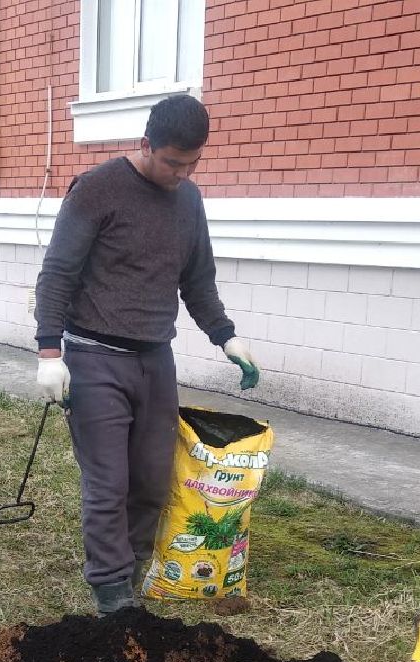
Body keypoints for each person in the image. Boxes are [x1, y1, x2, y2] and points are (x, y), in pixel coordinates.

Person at [33, 94, 258, 616]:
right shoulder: (97, 189)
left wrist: (226, 336)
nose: (182, 174)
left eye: (192, 164)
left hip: (156, 359)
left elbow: (197, 280)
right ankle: (110, 586)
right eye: (173, 162)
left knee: (153, 479)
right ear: (145, 145)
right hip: (94, 356)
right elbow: (58, 273)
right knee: (108, 482)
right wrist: (49, 351)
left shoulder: (189, 201)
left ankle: (132, 564)